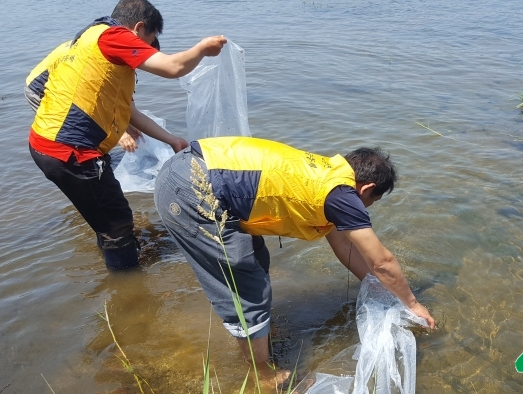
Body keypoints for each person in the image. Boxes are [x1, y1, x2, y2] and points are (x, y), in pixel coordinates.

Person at [153, 136, 436, 386]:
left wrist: (377, 286)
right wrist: (412, 304)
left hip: (192, 166)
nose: (366, 207)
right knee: (245, 287)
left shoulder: (328, 174)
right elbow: (383, 261)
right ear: (366, 188)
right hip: (192, 190)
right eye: (371, 201)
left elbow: (343, 245)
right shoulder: (342, 196)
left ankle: (256, 335)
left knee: (256, 261)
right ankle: (261, 373)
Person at [26, 0, 227, 268]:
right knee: (119, 225)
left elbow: (131, 113)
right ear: (138, 28)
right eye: (148, 43)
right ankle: (130, 294)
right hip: (70, 152)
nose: (143, 53)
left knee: (106, 211)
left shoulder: (91, 41)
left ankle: (112, 256)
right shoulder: (115, 37)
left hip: (58, 146)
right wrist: (204, 48)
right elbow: (173, 67)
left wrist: (171, 140)